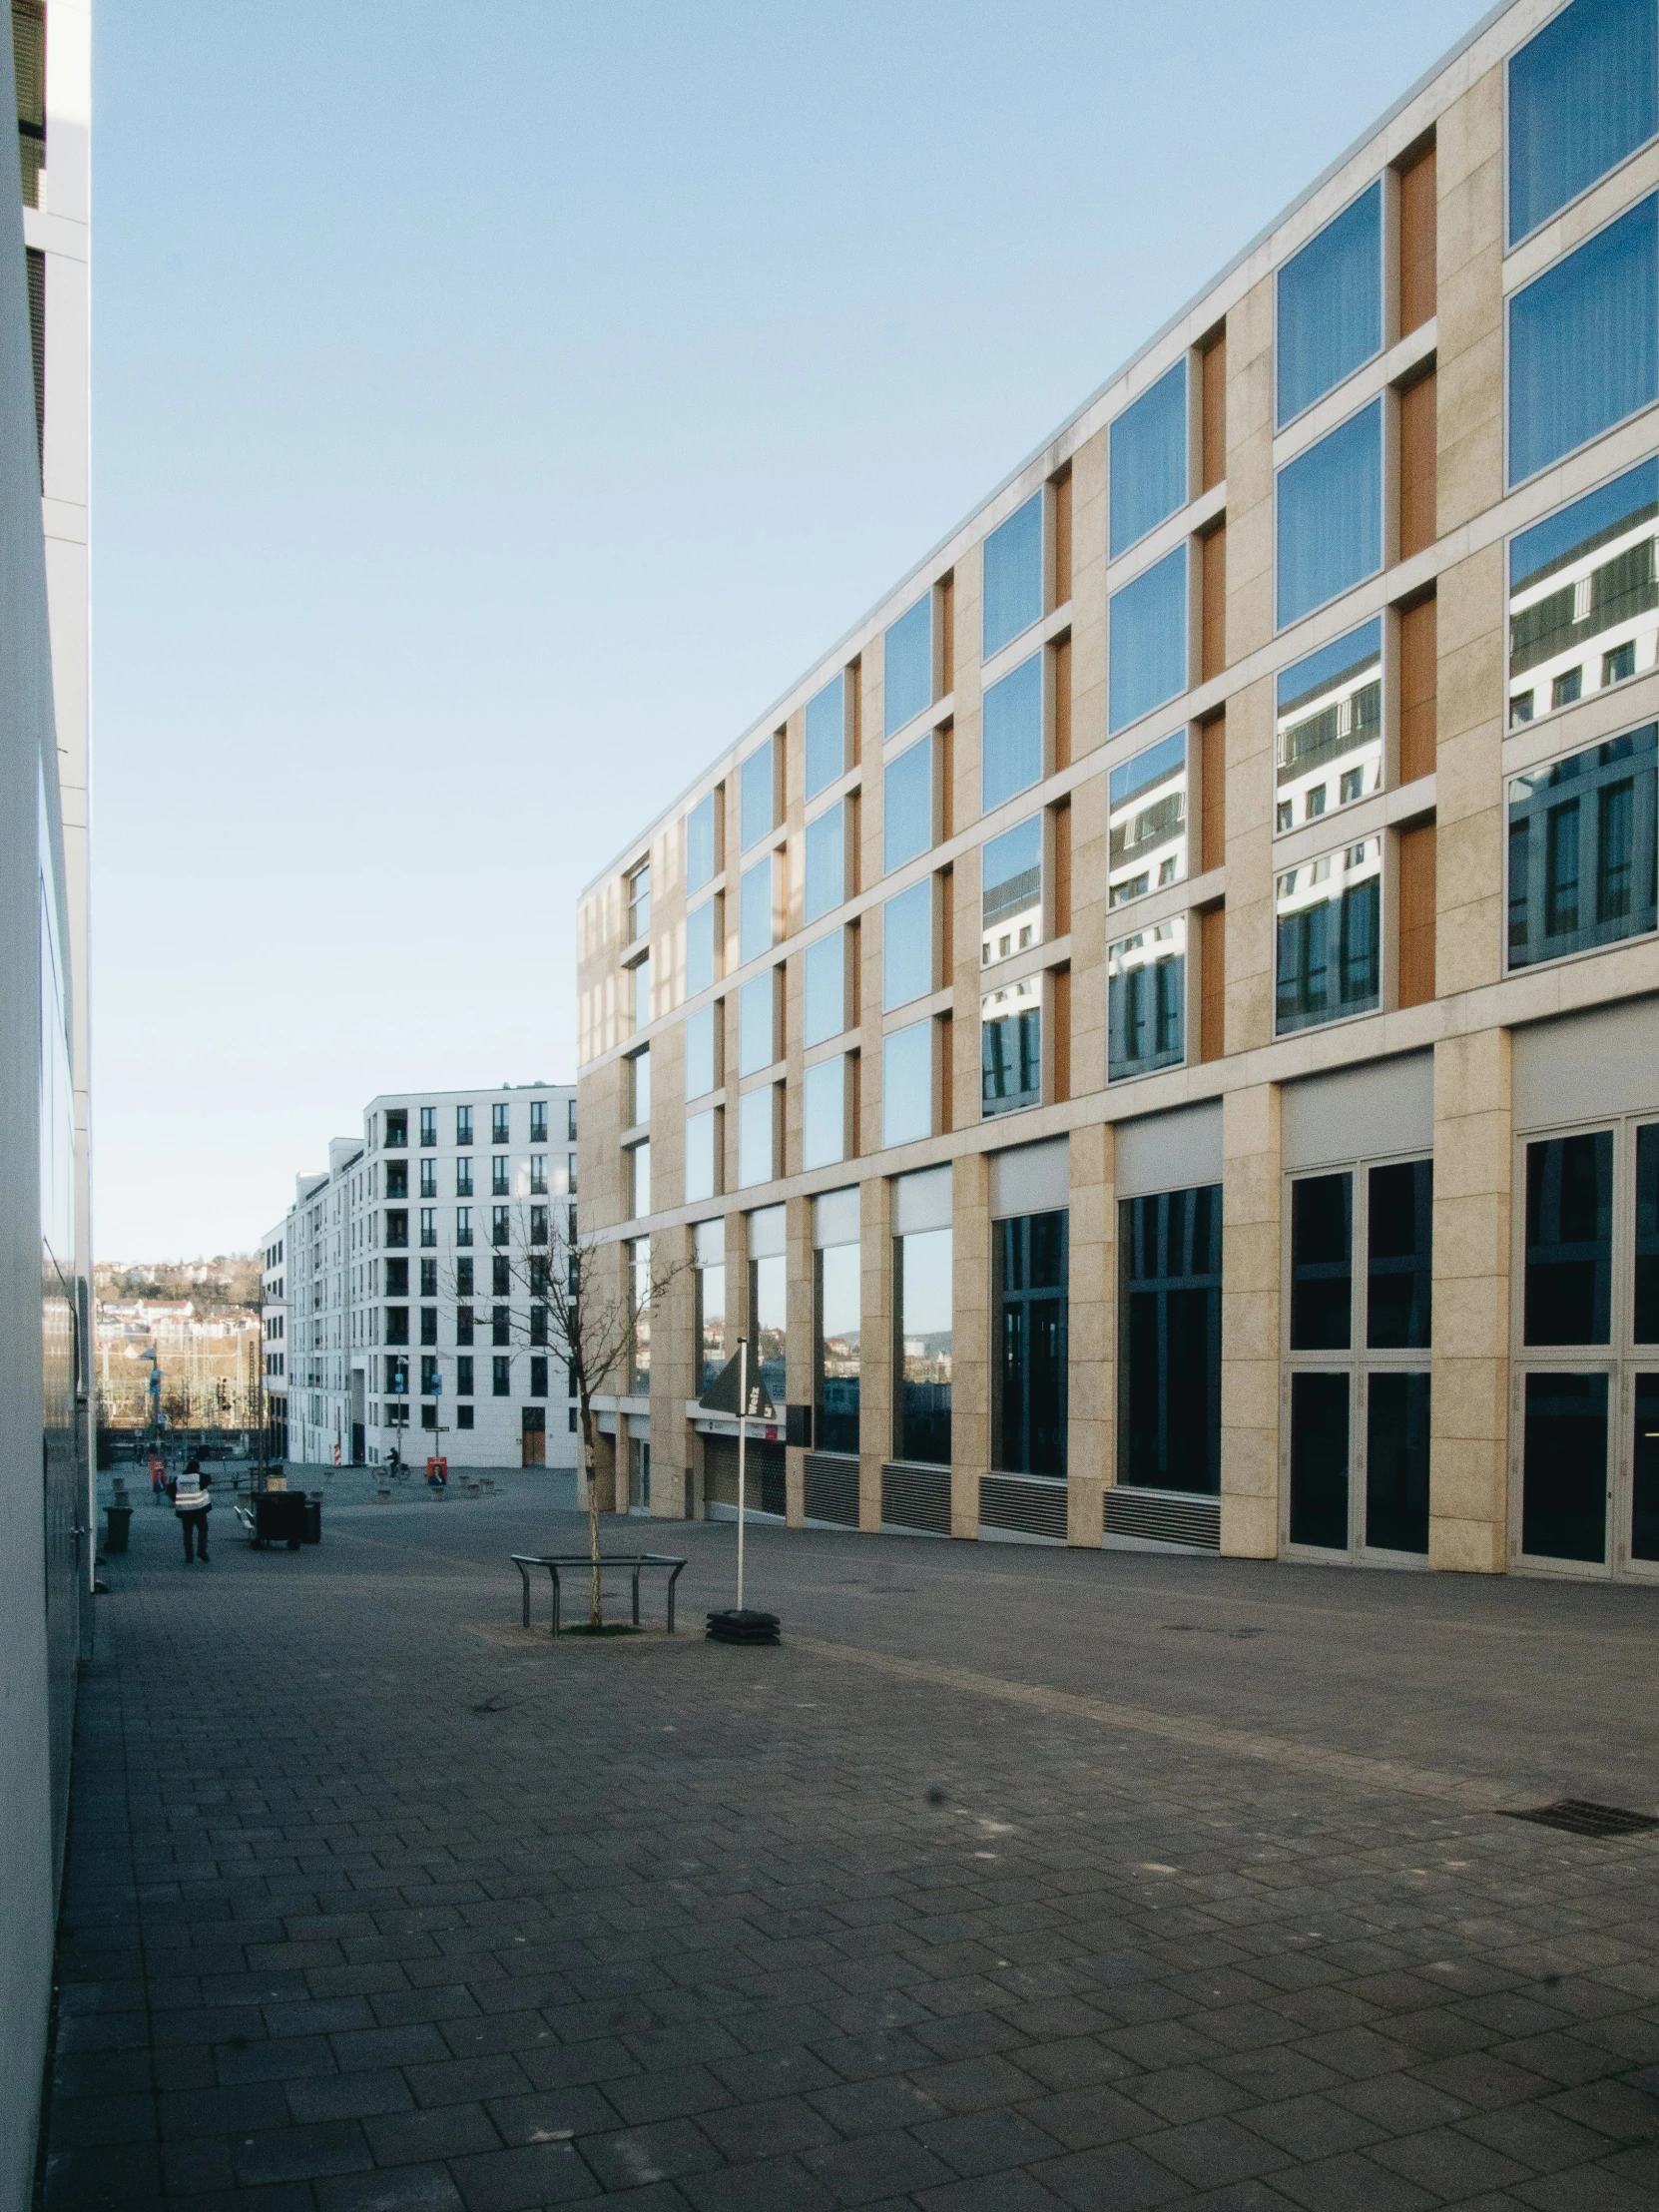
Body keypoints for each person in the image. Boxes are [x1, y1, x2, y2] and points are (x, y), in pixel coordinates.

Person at [174, 1461, 212, 1563]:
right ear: (197, 1468)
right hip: (199, 1510)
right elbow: (208, 1478)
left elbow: (173, 1492)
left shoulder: (178, 1478)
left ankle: (189, 1556)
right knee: (203, 1530)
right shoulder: (200, 1478)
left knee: (187, 1533)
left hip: (185, 1511)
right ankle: (201, 1551)